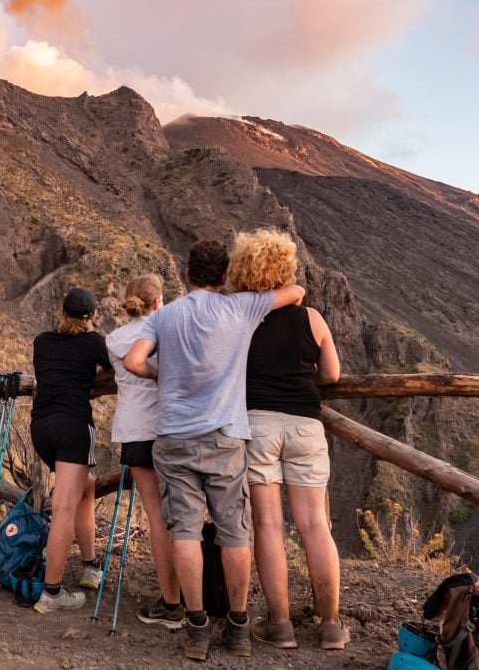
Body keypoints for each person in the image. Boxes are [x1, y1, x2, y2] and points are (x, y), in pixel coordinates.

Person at [123, 240, 305, 662]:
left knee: (183, 531)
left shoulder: (165, 316)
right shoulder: (242, 307)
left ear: (186, 275)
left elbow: (133, 362)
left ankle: (197, 628)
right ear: (223, 277)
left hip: (173, 437)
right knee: (233, 531)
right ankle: (238, 627)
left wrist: (159, 375)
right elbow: (294, 293)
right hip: (225, 435)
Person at [225, 229, 347, 651]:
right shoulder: (311, 318)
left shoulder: (240, 319)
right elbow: (331, 375)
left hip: (257, 424)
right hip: (305, 426)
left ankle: (280, 625)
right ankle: (330, 625)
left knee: (268, 525)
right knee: (315, 525)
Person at [105, 274, 182, 628]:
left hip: (135, 430)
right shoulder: (168, 331)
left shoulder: (114, 339)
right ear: (157, 303)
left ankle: (170, 601)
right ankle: (194, 594)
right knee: (183, 512)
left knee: (155, 516)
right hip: (173, 426)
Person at [30, 287, 113, 614]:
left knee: (86, 488)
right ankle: (52, 593)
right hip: (73, 428)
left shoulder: (42, 342)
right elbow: (115, 368)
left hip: (41, 428)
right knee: (64, 507)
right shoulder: (94, 343)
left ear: (62, 313)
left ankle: (91, 564)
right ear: (92, 316)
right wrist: (91, 375)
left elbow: (58, 370)